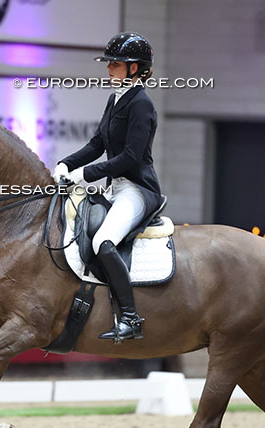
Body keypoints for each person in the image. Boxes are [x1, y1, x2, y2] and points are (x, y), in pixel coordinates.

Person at [52, 31, 164, 343]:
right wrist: (66, 164)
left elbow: (130, 157)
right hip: (114, 188)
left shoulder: (142, 104)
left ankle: (130, 318)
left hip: (137, 189)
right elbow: (97, 145)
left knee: (103, 240)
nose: (108, 68)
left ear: (133, 68)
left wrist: (85, 174)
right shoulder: (115, 99)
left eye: (115, 64)